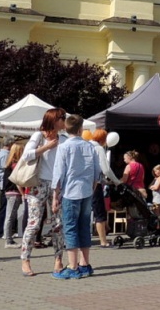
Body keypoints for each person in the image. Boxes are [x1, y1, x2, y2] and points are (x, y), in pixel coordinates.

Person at [51, 114, 100, 279]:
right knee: (84, 226)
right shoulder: (90, 147)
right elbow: (96, 173)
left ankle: (72, 267)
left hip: (70, 192)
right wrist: (92, 189)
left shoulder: (64, 147)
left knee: (70, 228)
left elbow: (58, 173)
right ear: (80, 129)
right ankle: (85, 264)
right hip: (86, 191)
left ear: (66, 128)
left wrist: (55, 196)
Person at [19, 108, 67, 277]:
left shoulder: (64, 139)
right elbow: (26, 155)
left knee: (58, 224)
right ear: (53, 120)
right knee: (34, 223)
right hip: (37, 183)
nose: (64, 121)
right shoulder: (38, 136)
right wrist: (46, 147)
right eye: (62, 118)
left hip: (56, 185)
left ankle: (58, 259)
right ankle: (25, 259)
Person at [86, 129, 120, 248]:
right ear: (103, 139)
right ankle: (103, 241)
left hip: (83, 184)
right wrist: (116, 181)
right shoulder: (99, 148)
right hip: (95, 185)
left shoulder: (86, 146)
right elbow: (105, 169)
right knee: (99, 213)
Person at [1, 142, 26, 248]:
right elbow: (17, 181)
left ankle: (8, 238)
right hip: (14, 193)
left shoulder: (9, 164)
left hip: (9, 192)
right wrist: (22, 194)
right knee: (10, 216)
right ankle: (8, 240)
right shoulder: (15, 165)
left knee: (10, 216)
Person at [0, 137, 14, 240]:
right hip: (5, 185)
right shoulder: (5, 155)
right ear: (10, 145)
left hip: (2, 183)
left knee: (3, 209)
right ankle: (0, 232)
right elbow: (7, 169)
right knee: (4, 210)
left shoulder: (1, 154)